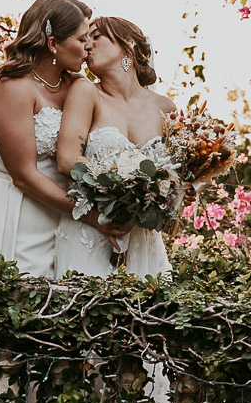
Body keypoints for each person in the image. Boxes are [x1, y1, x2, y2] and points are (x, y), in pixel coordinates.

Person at [0, 0, 125, 276]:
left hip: (63, 221)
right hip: (16, 213)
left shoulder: (78, 87)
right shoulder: (14, 88)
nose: (87, 49)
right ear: (53, 43)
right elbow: (23, 175)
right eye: (81, 40)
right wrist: (92, 217)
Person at [54, 16, 176, 277]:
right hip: (93, 229)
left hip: (143, 239)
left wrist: (178, 190)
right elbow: (66, 160)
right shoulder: (86, 92)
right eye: (85, 39)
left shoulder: (165, 108)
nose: (87, 46)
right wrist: (121, 179)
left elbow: (176, 177)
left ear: (127, 45)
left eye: (96, 37)